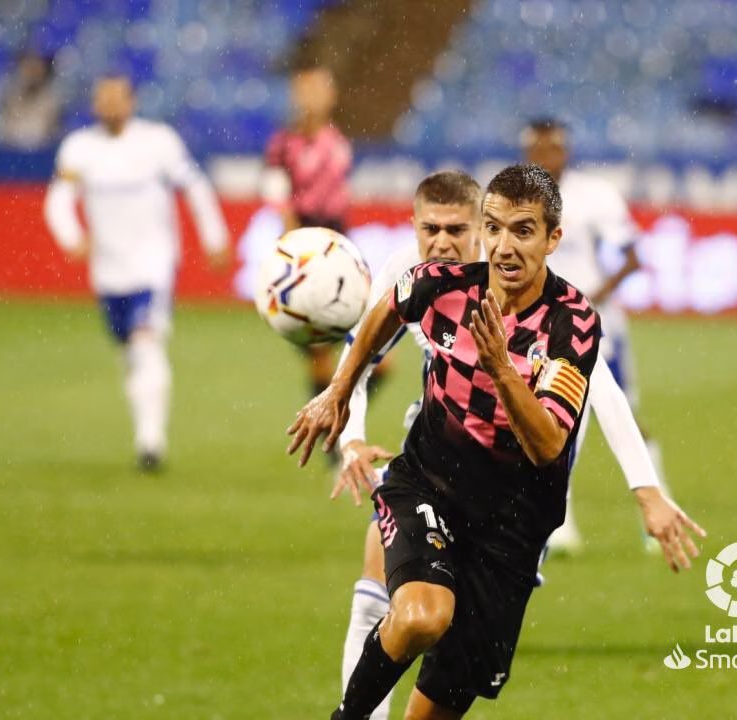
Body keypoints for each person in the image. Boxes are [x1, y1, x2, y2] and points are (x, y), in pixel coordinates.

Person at [288, 165, 704, 719]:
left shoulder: (572, 323)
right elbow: (386, 310)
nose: (504, 246)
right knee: (418, 616)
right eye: (494, 229)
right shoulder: (439, 280)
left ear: (554, 239)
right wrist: (341, 393)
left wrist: (503, 372)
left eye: (522, 231)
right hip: (429, 484)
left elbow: (549, 446)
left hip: (512, 523)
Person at [43, 75, 229, 471]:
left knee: (147, 344)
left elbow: (194, 186)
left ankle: (150, 441)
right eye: (102, 98)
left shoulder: (158, 141)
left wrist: (214, 235)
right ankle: (146, 429)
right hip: (108, 270)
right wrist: (71, 236)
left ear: (132, 100)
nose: (110, 105)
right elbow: (58, 200)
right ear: (94, 104)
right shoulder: (79, 148)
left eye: (117, 97)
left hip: (153, 263)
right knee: (131, 353)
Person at [521, 117, 666, 554]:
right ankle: (557, 527)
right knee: (547, 423)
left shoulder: (595, 196)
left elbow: (632, 258)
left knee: (624, 413)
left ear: (566, 150)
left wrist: (589, 299)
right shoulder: (515, 199)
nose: (548, 156)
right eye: (539, 148)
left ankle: (657, 513)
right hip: (538, 328)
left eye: (555, 148)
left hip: (596, 324)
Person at [261, 65, 358, 411]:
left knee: (372, 353)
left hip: (341, 249)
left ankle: (328, 417)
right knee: (322, 352)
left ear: (332, 96)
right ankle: (328, 428)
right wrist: (301, 251)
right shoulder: (282, 145)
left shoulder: (339, 142)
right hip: (307, 253)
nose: (312, 98)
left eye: (319, 90)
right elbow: (278, 198)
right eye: (306, 91)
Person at [0, 50, 62, 150]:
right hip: (12, 154)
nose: (31, 75)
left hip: (41, 155)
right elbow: (5, 132)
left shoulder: (51, 101)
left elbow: (47, 134)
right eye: (27, 70)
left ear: (43, 72)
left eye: (35, 70)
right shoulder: (11, 98)